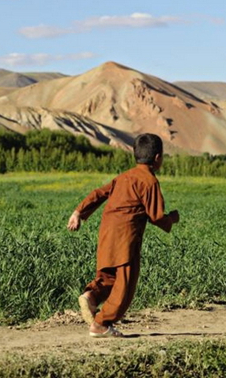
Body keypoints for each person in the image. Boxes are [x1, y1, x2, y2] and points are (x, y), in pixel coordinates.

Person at [66, 133, 180, 338]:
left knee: (108, 277)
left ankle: (90, 296)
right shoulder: (149, 181)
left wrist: (78, 212)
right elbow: (156, 216)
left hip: (106, 232)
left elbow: (99, 193)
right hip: (126, 239)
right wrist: (171, 218)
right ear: (157, 158)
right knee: (125, 286)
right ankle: (101, 323)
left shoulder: (124, 177)